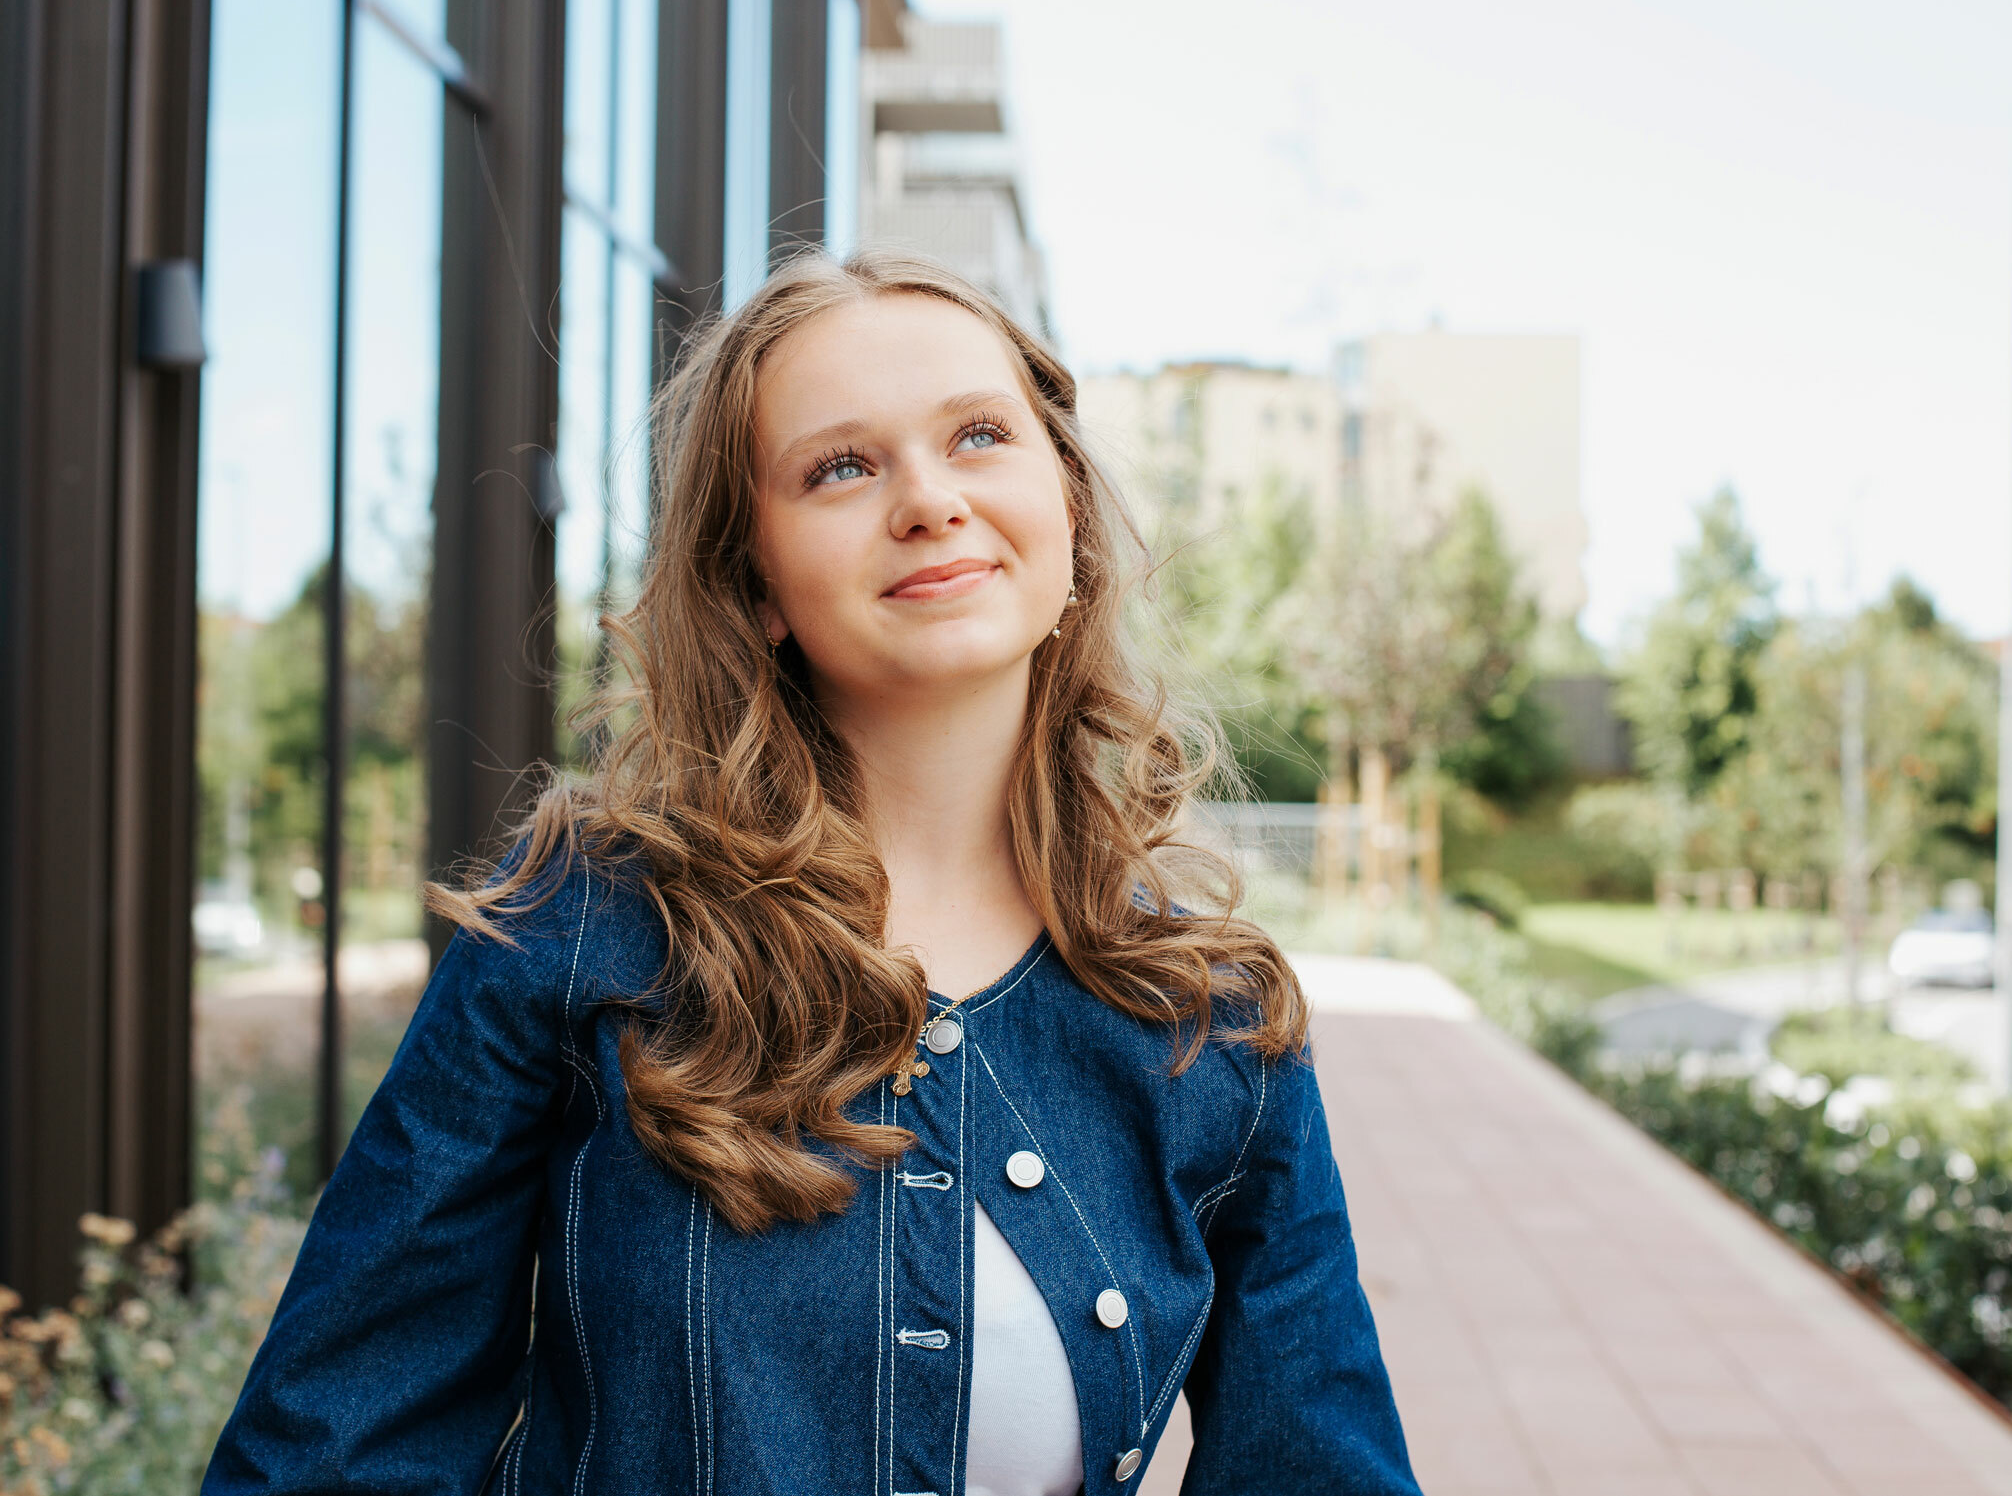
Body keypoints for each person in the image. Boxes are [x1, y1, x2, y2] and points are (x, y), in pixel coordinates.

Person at [201, 248, 1420, 1496]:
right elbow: (332, 1449)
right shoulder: (586, 918)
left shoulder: (1208, 1011)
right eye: (840, 466)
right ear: (756, 582)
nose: (928, 499)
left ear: (1066, 510)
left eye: (979, 435)